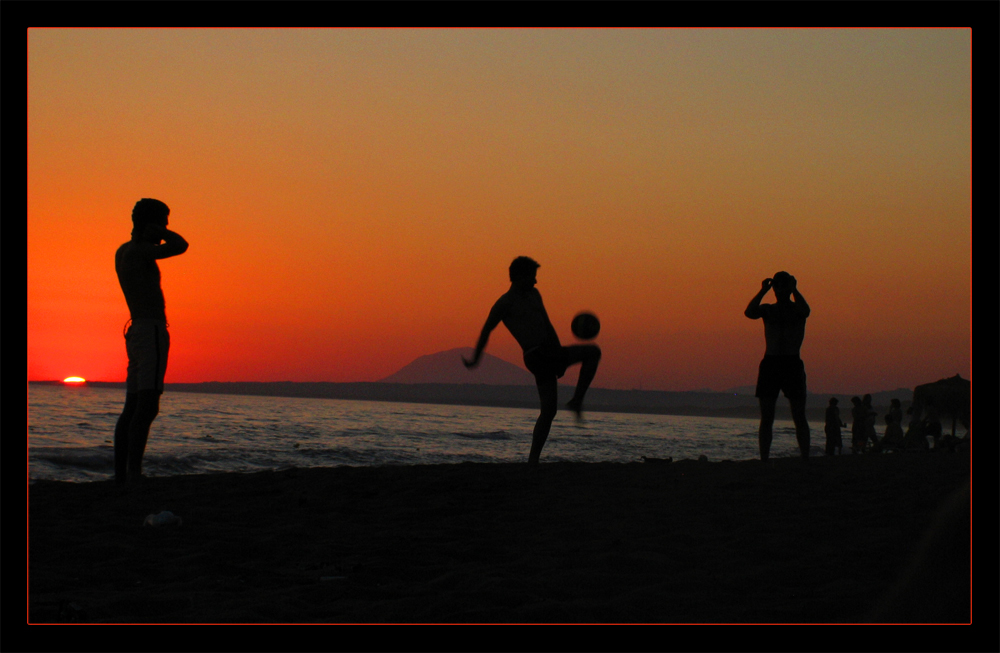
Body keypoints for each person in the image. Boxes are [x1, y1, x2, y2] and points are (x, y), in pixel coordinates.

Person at [463, 257, 601, 464]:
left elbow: (547, 324)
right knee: (592, 352)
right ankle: (576, 401)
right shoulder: (505, 303)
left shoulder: (535, 295)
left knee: (549, 411)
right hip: (536, 355)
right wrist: (475, 358)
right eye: (532, 277)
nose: (535, 282)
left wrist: (559, 355)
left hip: (550, 352)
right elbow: (486, 331)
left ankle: (533, 460)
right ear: (520, 277)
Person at [113, 199, 189, 486]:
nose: (167, 227)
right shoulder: (139, 251)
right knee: (147, 405)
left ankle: (123, 474)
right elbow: (181, 245)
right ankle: (133, 473)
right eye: (164, 221)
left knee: (133, 405)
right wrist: (158, 231)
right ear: (151, 222)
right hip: (150, 331)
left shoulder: (124, 251)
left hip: (137, 333)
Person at [744, 272, 811, 461]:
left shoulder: (797, 310)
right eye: (778, 286)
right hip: (771, 362)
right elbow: (749, 312)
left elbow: (806, 311)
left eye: (784, 286)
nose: (780, 290)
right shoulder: (768, 310)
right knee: (767, 417)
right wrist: (763, 290)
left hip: (791, 362)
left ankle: (805, 457)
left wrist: (795, 289)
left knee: (799, 415)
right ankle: (764, 457)